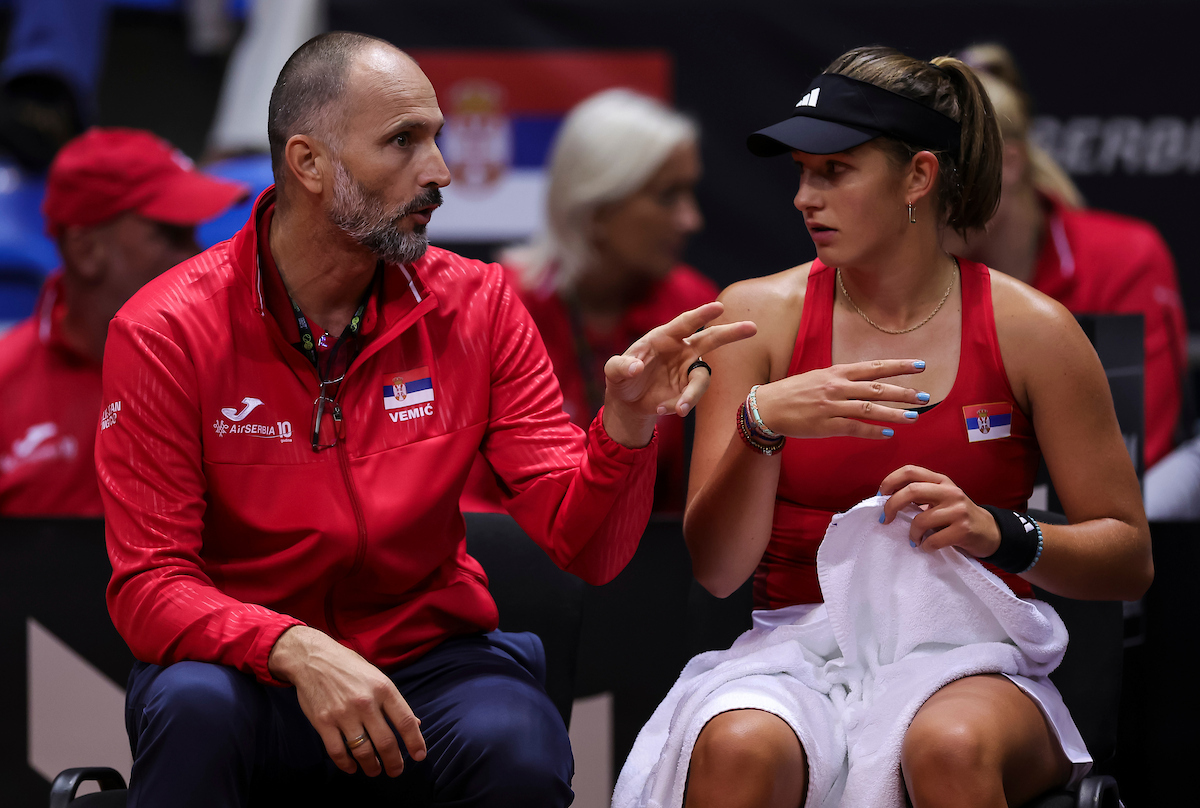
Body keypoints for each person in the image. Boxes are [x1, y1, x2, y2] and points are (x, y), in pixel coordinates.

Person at [97, 32, 753, 807]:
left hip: (427, 663)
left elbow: (591, 552)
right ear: (308, 163)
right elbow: (149, 584)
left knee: (518, 742)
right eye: (403, 141)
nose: (440, 171)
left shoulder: (479, 305)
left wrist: (626, 429)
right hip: (245, 668)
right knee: (192, 707)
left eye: (436, 138)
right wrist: (293, 647)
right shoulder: (164, 330)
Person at [614, 46, 1150, 808]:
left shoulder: (1034, 330)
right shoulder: (754, 318)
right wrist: (762, 425)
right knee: (737, 749)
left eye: (834, 172)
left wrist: (998, 531)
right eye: (801, 173)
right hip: (793, 649)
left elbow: (1129, 558)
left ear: (918, 178)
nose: (805, 198)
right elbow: (719, 571)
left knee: (949, 746)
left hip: (974, 656)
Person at [461, 88, 718, 514]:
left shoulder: (694, 308)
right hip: (506, 550)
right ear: (596, 208)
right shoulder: (495, 308)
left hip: (642, 550)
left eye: (689, 193)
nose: (691, 219)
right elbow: (458, 499)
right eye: (667, 195)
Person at [947, 43, 1187, 470]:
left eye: (950, 171)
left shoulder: (1123, 258)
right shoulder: (906, 270)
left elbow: (1132, 454)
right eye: (917, 171)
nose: (926, 195)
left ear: (1008, 164)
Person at [0, 127, 245, 516]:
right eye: (171, 234)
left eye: (193, 235)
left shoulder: (241, 370)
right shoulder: (6, 383)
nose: (197, 257)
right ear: (85, 250)